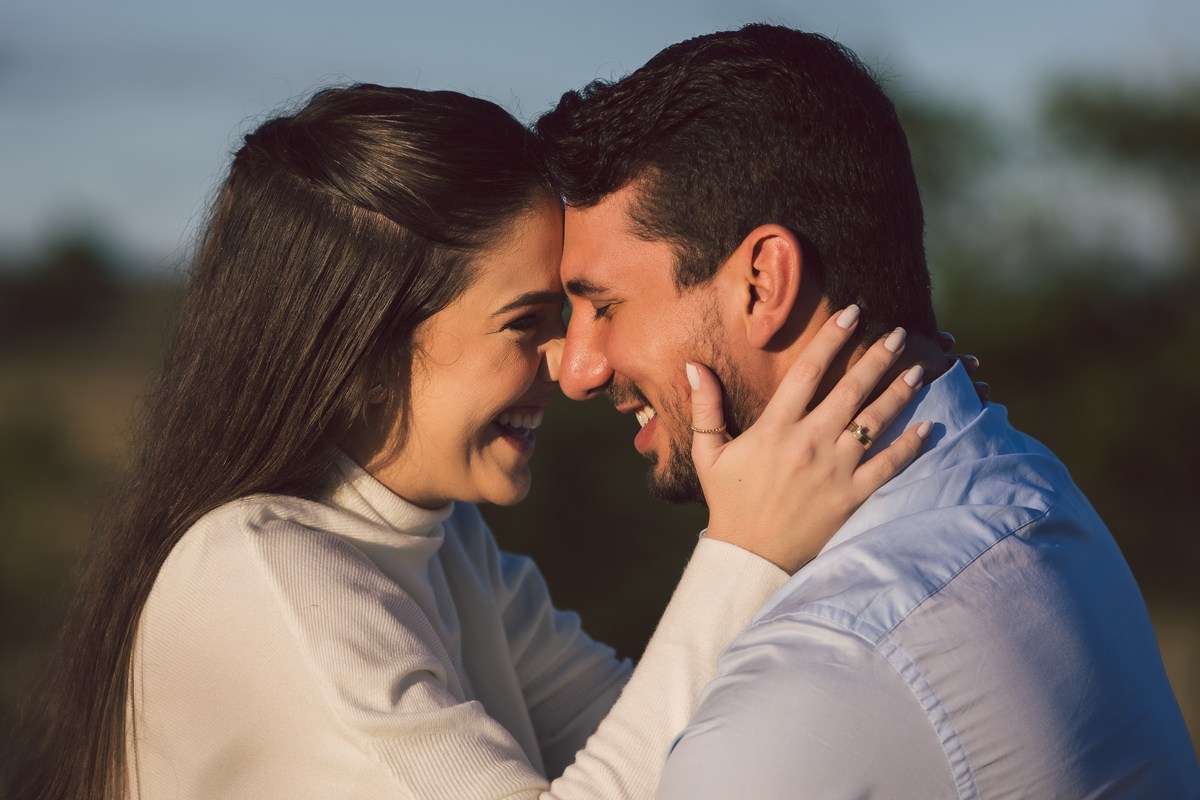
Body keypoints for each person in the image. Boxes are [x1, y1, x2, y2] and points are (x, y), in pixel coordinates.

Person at [5, 85, 936, 800]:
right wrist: (745, 550)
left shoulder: (444, 545)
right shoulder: (267, 574)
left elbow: (658, 742)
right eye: (526, 322)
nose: (572, 365)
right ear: (363, 344)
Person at [536, 24, 1200, 798]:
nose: (577, 370)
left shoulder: (803, 692)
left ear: (762, 283)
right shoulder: (1028, 487)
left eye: (603, 305)